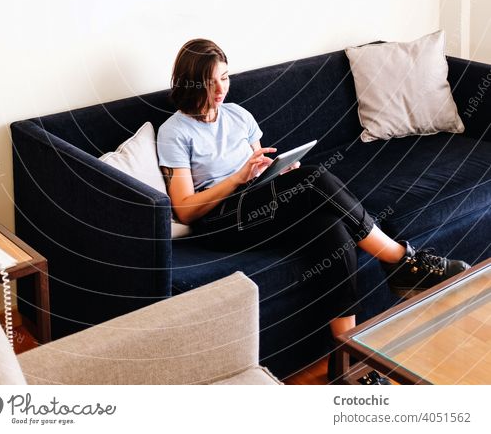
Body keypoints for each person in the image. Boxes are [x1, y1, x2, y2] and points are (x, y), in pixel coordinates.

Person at [157, 38, 470, 384]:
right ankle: (400, 260)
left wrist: (276, 172)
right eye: (210, 81)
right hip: (220, 220)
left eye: (225, 78)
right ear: (190, 82)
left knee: (330, 229)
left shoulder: (239, 116)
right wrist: (238, 178)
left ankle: (346, 364)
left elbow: (259, 165)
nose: (220, 89)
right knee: (316, 178)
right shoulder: (175, 131)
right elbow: (185, 210)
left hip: (258, 202)